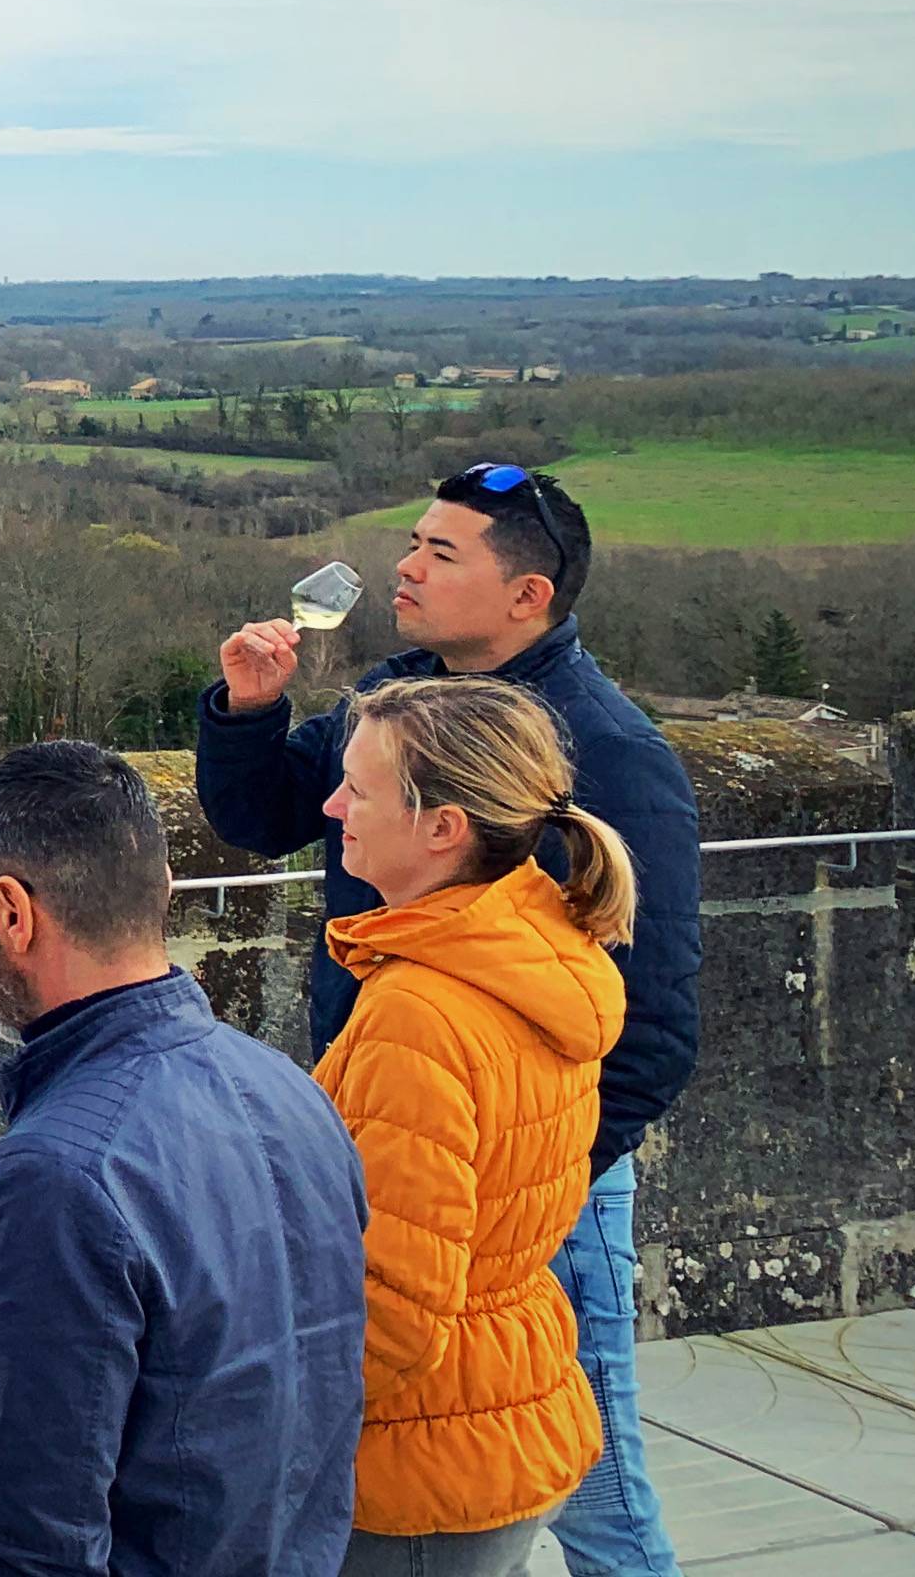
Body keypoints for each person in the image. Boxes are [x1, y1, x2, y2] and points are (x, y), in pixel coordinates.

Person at [200, 463, 702, 1577]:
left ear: (527, 596)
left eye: (440, 551)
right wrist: (247, 709)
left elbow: (652, 1031)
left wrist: (521, 1177)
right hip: (419, 1144)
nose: (405, 566)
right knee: (482, 1487)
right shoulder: (401, 699)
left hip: (526, 1188)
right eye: (412, 542)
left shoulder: (611, 756)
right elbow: (265, 812)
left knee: (592, 1493)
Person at [0, 740, 369, 1577]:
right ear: (158, 891)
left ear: (11, 912)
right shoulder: (290, 1091)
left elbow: (29, 1535)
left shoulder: (53, 1177)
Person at [318, 677, 634, 1572]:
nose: (333, 804)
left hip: (414, 1459)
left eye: (359, 790)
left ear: (441, 827)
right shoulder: (537, 942)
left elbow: (391, 1309)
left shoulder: (420, 1008)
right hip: (503, 1400)